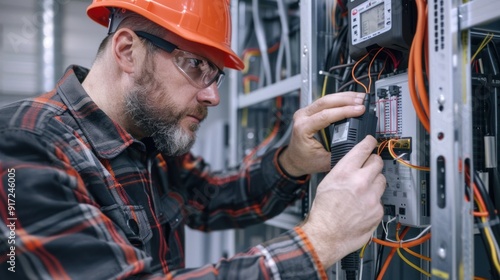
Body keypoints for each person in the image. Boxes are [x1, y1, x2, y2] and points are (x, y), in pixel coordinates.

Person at [0, 0, 385, 279]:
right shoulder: (25, 144)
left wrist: (292, 163)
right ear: (127, 51)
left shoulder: (147, 139)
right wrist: (319, 242)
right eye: (195, 65)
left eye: (215, 75)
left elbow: (213, 197)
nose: (212, 96)